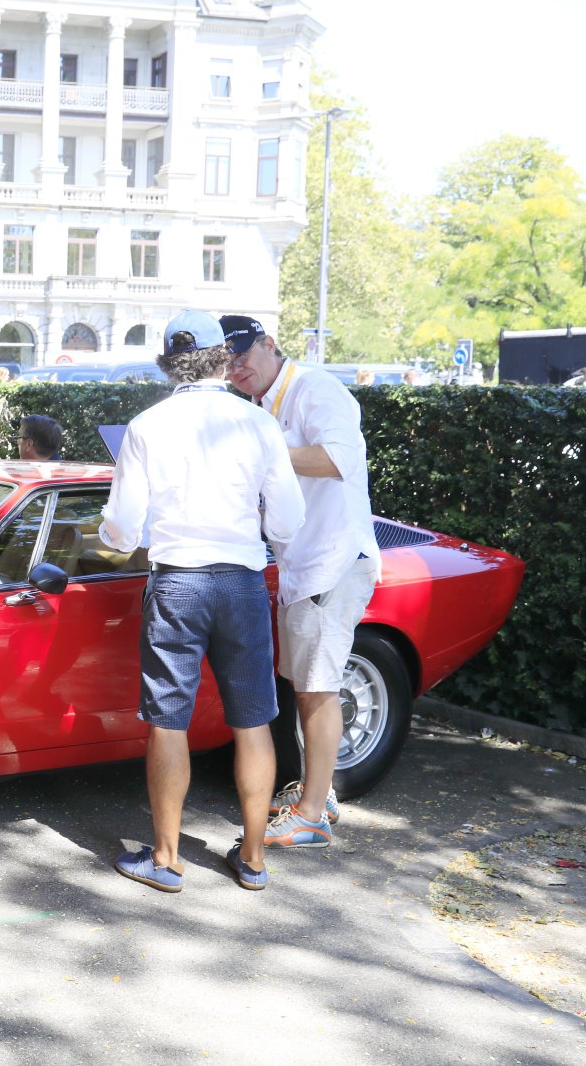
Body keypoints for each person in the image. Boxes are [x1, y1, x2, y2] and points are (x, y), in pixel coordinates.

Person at [102, 311, 305, 893]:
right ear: (223, 356)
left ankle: (167, 860)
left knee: (168, 721)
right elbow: (288, 521)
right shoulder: (258, 423)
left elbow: (123, 528)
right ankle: (254, 858)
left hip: (177, 582)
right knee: (254, 719)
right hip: (241, 580)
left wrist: (112, 534)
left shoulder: (146, 425)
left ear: (168, 364)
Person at [223, 314, 380, 851]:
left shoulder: (316, 388)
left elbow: (338, 459)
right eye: (227, 361)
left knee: (317, 690)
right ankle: (317, 795)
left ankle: (312, 816)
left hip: (332, 562)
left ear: (269, 344)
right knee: (306, 687)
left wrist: (263, 457)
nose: (236, 368)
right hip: (302, 567)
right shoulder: (262, 405)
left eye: (243, 355)